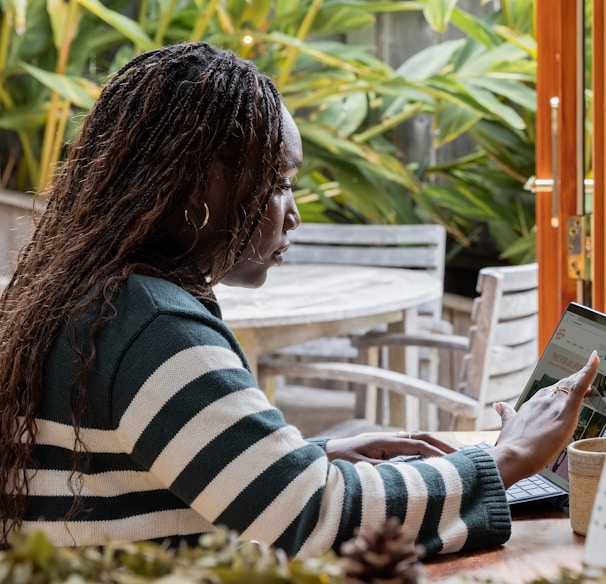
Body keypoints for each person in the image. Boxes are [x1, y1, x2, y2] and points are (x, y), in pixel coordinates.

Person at [0, 41, 599, 559]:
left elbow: (152, 479)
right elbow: (309, 519)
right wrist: (509, 459)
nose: (294, 214)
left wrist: (309, 455)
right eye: (278, 182)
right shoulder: (152, 326)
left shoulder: (89, 296)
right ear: (197, 186)